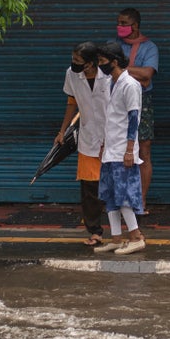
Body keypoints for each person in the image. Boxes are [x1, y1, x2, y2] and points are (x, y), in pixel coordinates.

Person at [93, 42, 146, 255]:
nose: (100, 66)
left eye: (103, 62)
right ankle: (116, 238)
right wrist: (104, 144)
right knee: (110, 196)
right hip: (111, 149)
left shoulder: (130, 85)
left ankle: (136, 236)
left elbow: (134, 119)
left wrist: (129, 149)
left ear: (115, 62)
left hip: (123, 149)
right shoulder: (111, 83)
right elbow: (112, 118)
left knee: (124, 196)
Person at [56, 42, 109, 246]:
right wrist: (63, 131)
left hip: (111, 137)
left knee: (114, 186)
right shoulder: (71, 74)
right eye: (73, 60)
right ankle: (95, 231)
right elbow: (72, 103)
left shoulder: (108, 76)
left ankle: (122, 230)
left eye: (78, 61)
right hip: (88, 136)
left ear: (91, 63)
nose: (74, 64)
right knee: (89, 188)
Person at [114, 8, 159, 216]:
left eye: (124, 23)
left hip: (143, 102)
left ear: (136, 26)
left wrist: (120, 69)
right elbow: (107, 71)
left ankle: (141, 200)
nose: (120, 27)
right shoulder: (113, 46)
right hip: (117, 102)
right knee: (118, 150)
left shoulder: (149, 47)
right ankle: (122, 199)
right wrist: (136, 73)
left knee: (144, 151)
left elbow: (148, 74)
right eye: (119, 23)